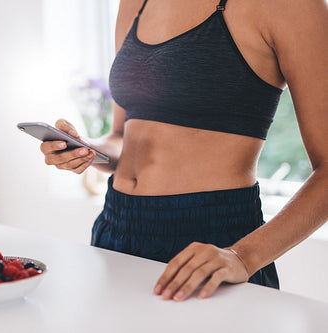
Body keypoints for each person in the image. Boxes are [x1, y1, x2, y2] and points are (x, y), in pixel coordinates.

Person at [39, 0, 328, 301]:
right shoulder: (136, 3)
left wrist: (243, 256)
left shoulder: (291, 5)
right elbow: (122, 135)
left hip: (211, 242)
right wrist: (87, 150)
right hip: (115, 225)